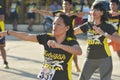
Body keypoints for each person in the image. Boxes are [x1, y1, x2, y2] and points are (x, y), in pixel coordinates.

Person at [0, 13, 82, 80]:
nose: (54, 26)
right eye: (53, 23)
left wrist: (59, 45)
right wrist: (9, 32)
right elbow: (27, 36)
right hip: (45, 76)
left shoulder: (70, 41)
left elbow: (78, 51)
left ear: (67, 28)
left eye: (58, 24)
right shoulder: (46, 37)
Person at [33, 0, 85, 72]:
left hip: (70, 35)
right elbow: (48, 13)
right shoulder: (59, 13)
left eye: (66, 4)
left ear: (70, 6)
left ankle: (76, 65)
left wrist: (74, 14)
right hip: (59, 34)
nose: (64, 6)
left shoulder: (73, 13)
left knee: (73, 51)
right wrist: (38, 11)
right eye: (63, 4)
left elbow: (82, 14)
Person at [74, 2, 119, 80]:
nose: (93, 12)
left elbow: (118, 40)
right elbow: (72, 32)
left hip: (104, 59)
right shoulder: (88, 25)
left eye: (96, 10)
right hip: (89, 59)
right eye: (92, 10)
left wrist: (104, 33)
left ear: (102, 12)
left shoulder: (107, 26)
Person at [0, 1, 9, 69]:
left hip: (0, 31)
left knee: (1, 47)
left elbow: (2, 18)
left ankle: (5, 62)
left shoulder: (0, 8)